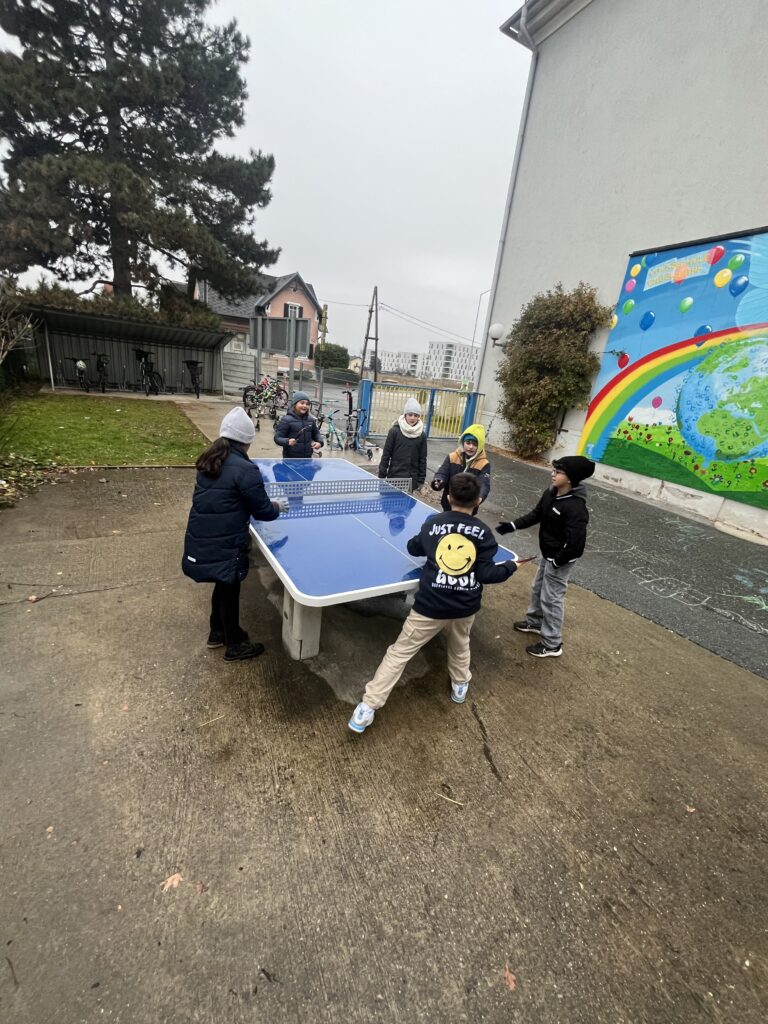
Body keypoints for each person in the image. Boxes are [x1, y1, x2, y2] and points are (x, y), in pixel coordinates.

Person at [348, 473, 517, 733]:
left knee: (399, 653)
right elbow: (487, 574)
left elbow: (413, 548)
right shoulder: (484, 533)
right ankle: (460, 685)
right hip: (464, 607)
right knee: (460, 644)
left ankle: (367, 707)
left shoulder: (433, 524)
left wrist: (427, 541)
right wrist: (510, 567)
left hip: (430, 606)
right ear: (478, 501)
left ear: (448, 497)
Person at [182, 407, 288, 662]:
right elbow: (263, 511)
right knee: (229, 591)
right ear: (246, 441)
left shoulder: (210, 459)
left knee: (222, 585)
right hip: (226, 541)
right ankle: (235, 645)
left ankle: (217, 633)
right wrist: (277, 506)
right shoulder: (245, 469)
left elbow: (226, 497)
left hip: (203, 535)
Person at [496, 454, 595, 659]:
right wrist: (512, 525)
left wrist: (557, 560)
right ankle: (535, 622)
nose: (553, 474)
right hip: (548, 553)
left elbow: (576, 544)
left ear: (570, 479)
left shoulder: (576, 507)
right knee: (538, 588)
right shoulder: (551, 493)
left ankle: (552, 643)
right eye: (553, 470)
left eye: (558, 472)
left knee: (551, 599)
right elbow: (536, 514)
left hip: (560, 559)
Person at [431, 423, 491, 512]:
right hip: (449, 504)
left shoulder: (484, 464)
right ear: (463, 442)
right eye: (468, 443)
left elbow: (484, 484)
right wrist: (439, 480)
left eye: (475, 444)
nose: (471, 447)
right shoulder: (452, 457)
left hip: (469, 507)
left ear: (480, 446)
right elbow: (442, 472)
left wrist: (479, 497)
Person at [378, 397, 427, 491]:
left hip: (411, 480)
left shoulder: (422, 435)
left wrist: (421, 479)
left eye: (416, 415)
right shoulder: (394, 432)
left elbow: (422, 459)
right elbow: (386, 454)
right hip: (394, 477)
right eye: (410, 414)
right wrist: (382, 474)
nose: (412, 418)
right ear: (405, 415)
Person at [274, 391, 324, 459]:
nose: (305, 406)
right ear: (295, 404)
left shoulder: (311, 420)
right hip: (291, 459)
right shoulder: (286, 420)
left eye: (307, 404)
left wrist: (319, 442)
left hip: (307, 458)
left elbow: (316, 434)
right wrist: (287, 441)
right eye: (302, 403)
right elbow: (277, 438)